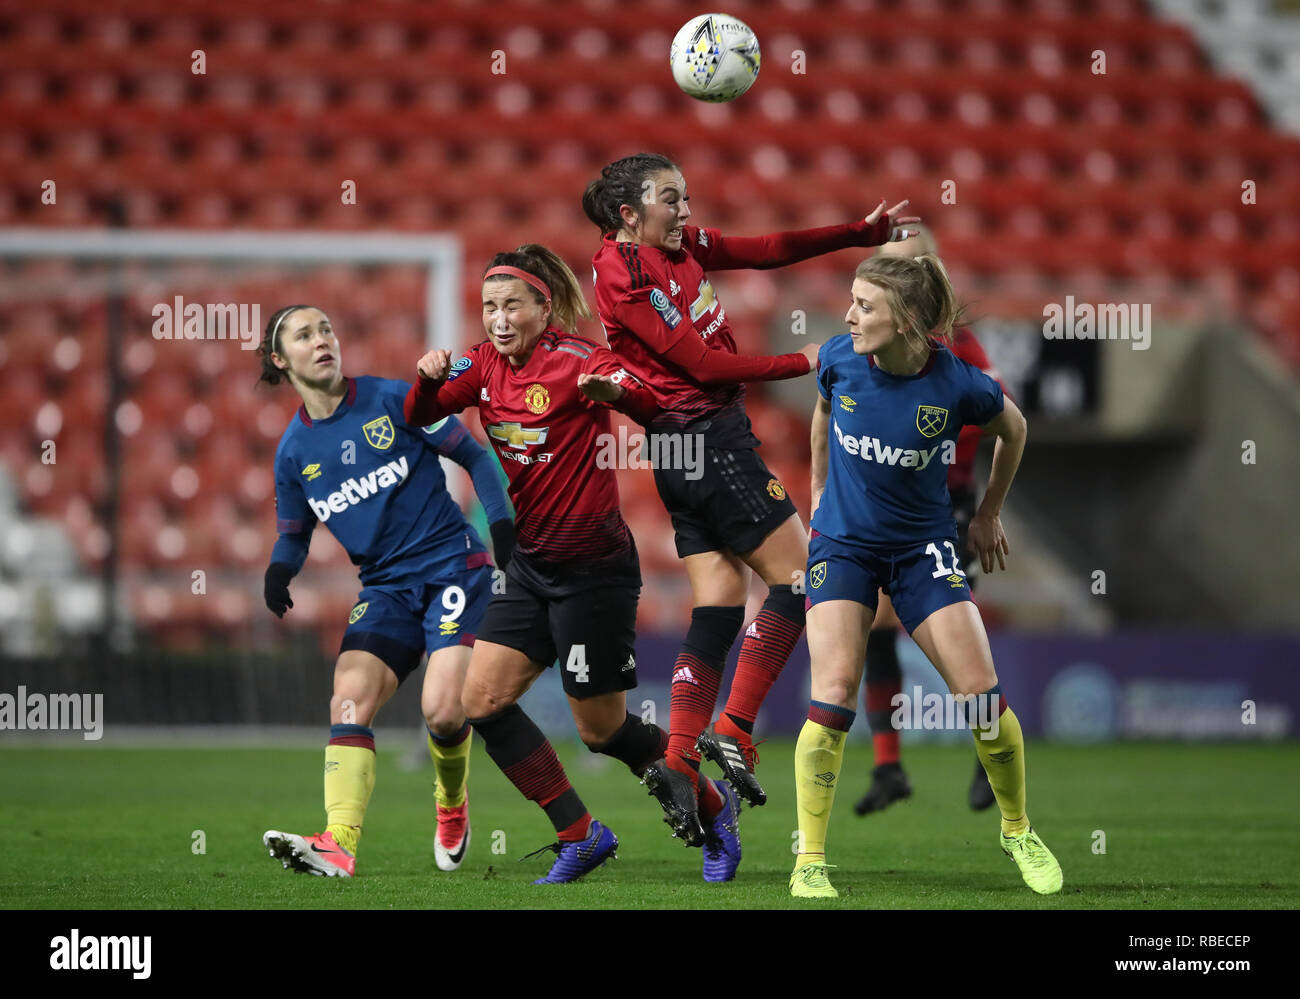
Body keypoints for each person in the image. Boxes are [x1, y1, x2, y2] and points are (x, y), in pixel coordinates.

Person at [584, 152, 918, 833]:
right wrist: (812, 358)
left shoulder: (671, 247)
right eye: (670, 200)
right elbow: (702, 364)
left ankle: (679, 759)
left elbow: (764, 251)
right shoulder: (628, 276)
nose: (685, 211)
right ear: (629, 214)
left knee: (718, 604)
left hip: (680, 451)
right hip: (708, 439)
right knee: (801, 579)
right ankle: (734, 727)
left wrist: (856, 232)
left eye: (686, 197)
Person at [403, 244, 743, 883]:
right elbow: (420, 416)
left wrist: (619, 394)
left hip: (595, 571)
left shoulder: (581, 359)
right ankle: (580, 834)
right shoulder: (480, 366)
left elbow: (657, 405)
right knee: (481, 702)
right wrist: (425, 379)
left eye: (511, 305)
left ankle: (713, 805)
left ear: (545, 306)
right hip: (531, 569)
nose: (498, 319)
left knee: (602, 732)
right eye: (488, 308)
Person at [791, 253, 1062, 898]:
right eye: (852, 301)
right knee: (832, 696)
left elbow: (1014, 429)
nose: (849, 316)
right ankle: (810, 859)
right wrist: (820, 491)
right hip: (844, 547)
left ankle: (1017, 828)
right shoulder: (838, 358)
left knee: (983, 699)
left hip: (923, 549)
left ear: (907, 319)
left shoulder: (959, 384)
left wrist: (989, 513)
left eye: (865, 305)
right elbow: (824, 415)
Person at [258, 305, 513, 877]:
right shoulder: (293, 453)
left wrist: (500, 525)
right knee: (347, 696)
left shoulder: (393, 399)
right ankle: (338, 842)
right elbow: (293, 535)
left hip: (453, 568)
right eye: (305, 335)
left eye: (326, 327)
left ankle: (451, 804)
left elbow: (473, 455)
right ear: (282, 360)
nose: (323, 339)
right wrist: (280, 570)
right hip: (385, 589)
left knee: (443, 714)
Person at [853, 227, 997, 816]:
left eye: (904, 268)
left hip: (944, 508)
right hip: (885, 510)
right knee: (877, 627)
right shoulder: (862, 348)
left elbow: (1001, 419)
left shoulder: (960, 351)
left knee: (945, 636)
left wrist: (984, 508)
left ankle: (990, 751)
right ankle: (889, 766)